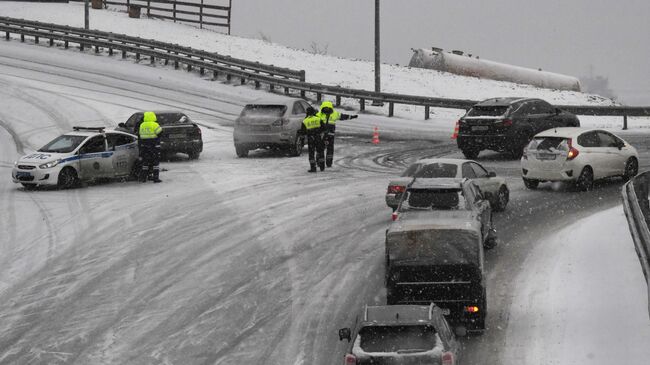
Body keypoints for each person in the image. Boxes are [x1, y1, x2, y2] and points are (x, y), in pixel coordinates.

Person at [317, 101, 358, 167]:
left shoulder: (319, 114)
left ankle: (320, 162)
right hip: (330, 134)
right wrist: (352, 117)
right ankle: (328, 163)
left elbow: (343, 116)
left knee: (320, 149)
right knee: (329, 149)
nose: (326, 110)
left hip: (322, 135)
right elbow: (343, 116)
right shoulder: (334, 114)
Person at [138, 111, 163, 183]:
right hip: (153, 146)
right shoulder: (155, 124)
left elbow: (139, 135)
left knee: (145, 163)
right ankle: (155, 178)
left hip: (144, 147)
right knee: (155, 163)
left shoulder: (142, 125)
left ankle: (143, 178)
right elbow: (160, 133)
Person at [299, 106, 325, 172]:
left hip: (310, 138)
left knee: (311, 153)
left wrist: (302, 141)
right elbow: (324, 128)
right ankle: (322, 166)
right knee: (320, 151)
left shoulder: (305, 121)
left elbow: (303, 132)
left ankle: (313, 167)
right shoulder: (318, 119)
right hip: (318, 137)